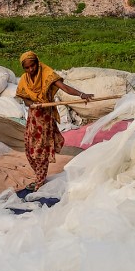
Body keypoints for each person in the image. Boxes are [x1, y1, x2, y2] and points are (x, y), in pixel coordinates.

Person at [15, 51, 92, 190]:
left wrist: (81, 94)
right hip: (33, 117)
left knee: (40, 150)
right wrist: (31, 103)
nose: (31, 69)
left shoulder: (47, 73)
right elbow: (24, 98)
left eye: (33, 66)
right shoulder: (24, 79)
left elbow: (65, 88)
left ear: (37, 63)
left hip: (45, 118)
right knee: (29, 149)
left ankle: (39, 181)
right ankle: (39, 176)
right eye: (27, 67)